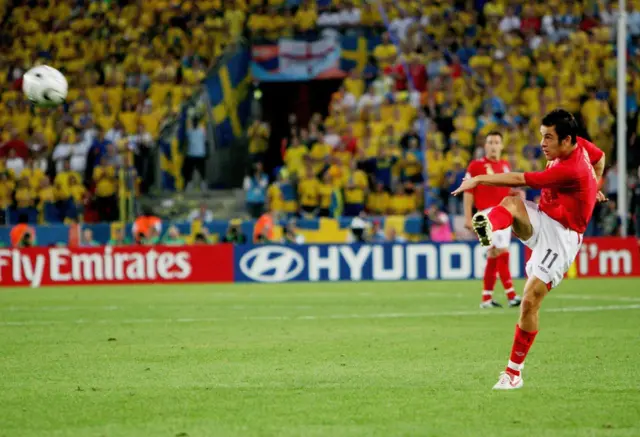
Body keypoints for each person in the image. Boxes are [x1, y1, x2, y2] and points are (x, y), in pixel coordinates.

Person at [452, 109, 606, 390]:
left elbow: (519, 179)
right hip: (545, 217)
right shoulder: (582, 146)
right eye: (541, 136)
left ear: (566, 140)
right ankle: (488, 222)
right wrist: (595, 186)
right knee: (511, 203)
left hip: (563, 237)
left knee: (530, 301)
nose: (542, 143)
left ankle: (513, 373)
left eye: (548, 138)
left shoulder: (569, 168)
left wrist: (478, 180)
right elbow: (601, 157)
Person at [464, 131, 521, 308]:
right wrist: (467, 218)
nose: (494, 145)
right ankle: (511, 295)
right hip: (487, 214)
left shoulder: (505, 165)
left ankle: (486, 298)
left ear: (501, 146)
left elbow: (503, 191)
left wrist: (515, 193)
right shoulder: (476, 166)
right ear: (485, 146)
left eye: (497, 142)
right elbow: (468, 191)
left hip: (503, 213)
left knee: (493, 255)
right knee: (502, 252)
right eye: (490, 142)